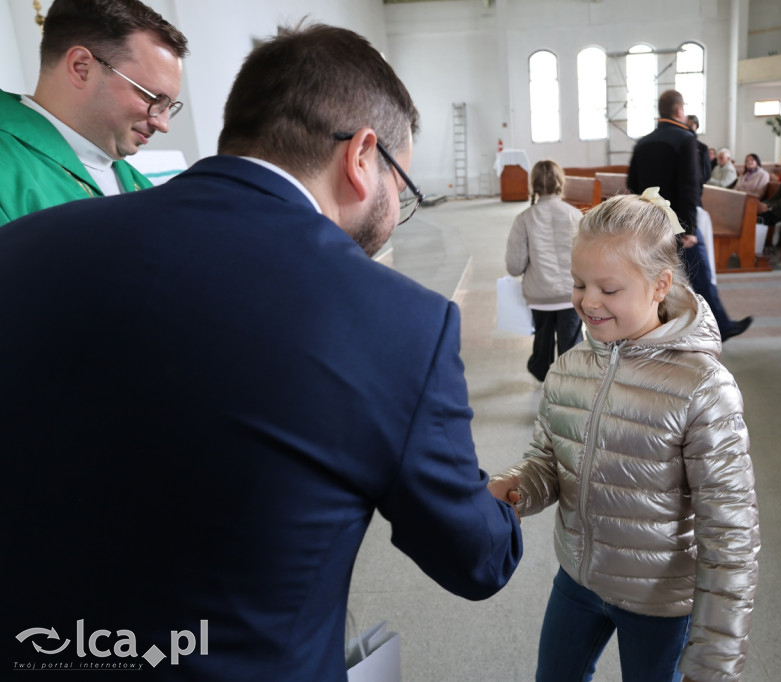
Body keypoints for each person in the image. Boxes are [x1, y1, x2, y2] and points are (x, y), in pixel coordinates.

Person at [0, 25, 523, 679]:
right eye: (402, 187)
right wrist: (510, 498)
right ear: (363, 156)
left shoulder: (23, 246)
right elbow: (476, 560)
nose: (396, 211)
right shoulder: (398, 322)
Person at [489, 191, 759, 682]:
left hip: (659, 600)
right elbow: (549, 461)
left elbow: (730, 534)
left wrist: (715, 657)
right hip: (578, 576)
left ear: (660, 285)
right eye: (578, 283)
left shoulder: (702, 387)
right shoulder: (570, 368)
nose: (588, 301)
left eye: (609, 289)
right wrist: (514, 487)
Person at [0, 0, 188, 225]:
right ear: (82, 68)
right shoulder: (8, 164)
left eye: (169, 106)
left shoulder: (139, 183)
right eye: (152, 98)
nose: (163, 125)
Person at [628, 90, 753, 342]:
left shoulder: (643, 143)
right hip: (677, 223)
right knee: (700, 274)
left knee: (658, 276)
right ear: (679, 110)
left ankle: (662, 327)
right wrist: (689, 229)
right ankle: (721, 326)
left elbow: (632, 183)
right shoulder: (685, 140)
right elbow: (690, 185)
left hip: (650, 221)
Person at [505, 160, 583, 382]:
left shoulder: (524, 219)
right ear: (561, 182)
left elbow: (514, 266)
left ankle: (542, 370)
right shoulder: (575, 215)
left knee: (543, 338)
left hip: (539, 296)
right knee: (571, 344)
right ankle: (571, 381)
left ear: (534, 185)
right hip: (571, 295)